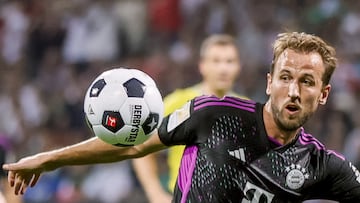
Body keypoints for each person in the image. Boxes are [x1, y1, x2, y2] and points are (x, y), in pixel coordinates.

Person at [3, 32, 360, 202]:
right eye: (285, 78)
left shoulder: (322, 166)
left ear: (324, 94)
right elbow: (132, 147)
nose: (293, 91)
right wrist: (49, 160)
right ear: (269, 83)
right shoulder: (212, 114)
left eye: (307, 82)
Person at [132, 34, 246, 203]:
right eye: (216, 61)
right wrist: (155, 194)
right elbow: (140, 144)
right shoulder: (179, 101)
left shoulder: (246, 108)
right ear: (202, 66)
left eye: (229, 61)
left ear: (238, 66)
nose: (223, 68)